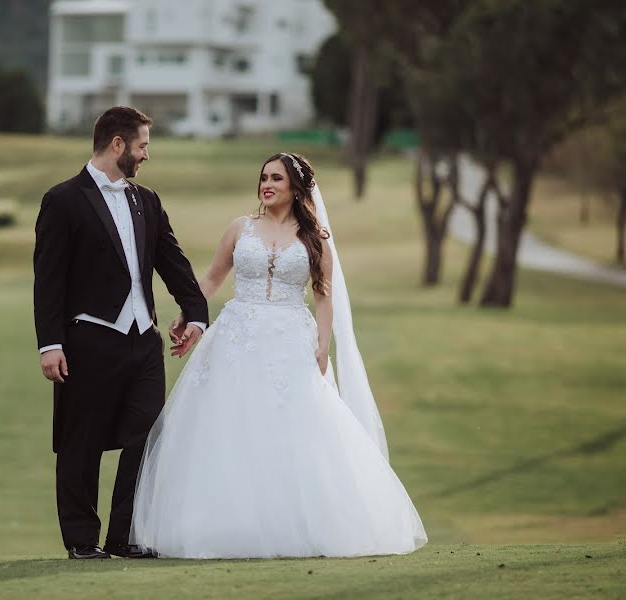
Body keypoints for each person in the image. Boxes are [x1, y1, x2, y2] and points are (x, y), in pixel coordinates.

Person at [130, 153, 427, 558]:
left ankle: (296, 525)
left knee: (292, 430)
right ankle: (222, 525)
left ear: (295, 188)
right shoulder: (240, 228)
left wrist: (323, 345)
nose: (267, 184)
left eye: (276, 179)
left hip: (291, 338)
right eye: (263, 177)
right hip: (236, 337)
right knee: (229, 429)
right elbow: (214, 276)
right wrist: (189, 313)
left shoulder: (314, 240)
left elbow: (323, 298)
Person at [33, 106, 208, 560]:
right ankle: (81, 540)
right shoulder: (63, 200)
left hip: (143, 340)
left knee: (146, 436)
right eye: (143, 145)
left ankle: (123, 536)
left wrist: (196, 312)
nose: (146, 155)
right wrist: (50, 344)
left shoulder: (145, 200)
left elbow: (172, 260)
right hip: (88, 340)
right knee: (82, 441)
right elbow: (48, 278)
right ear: (118, 145)